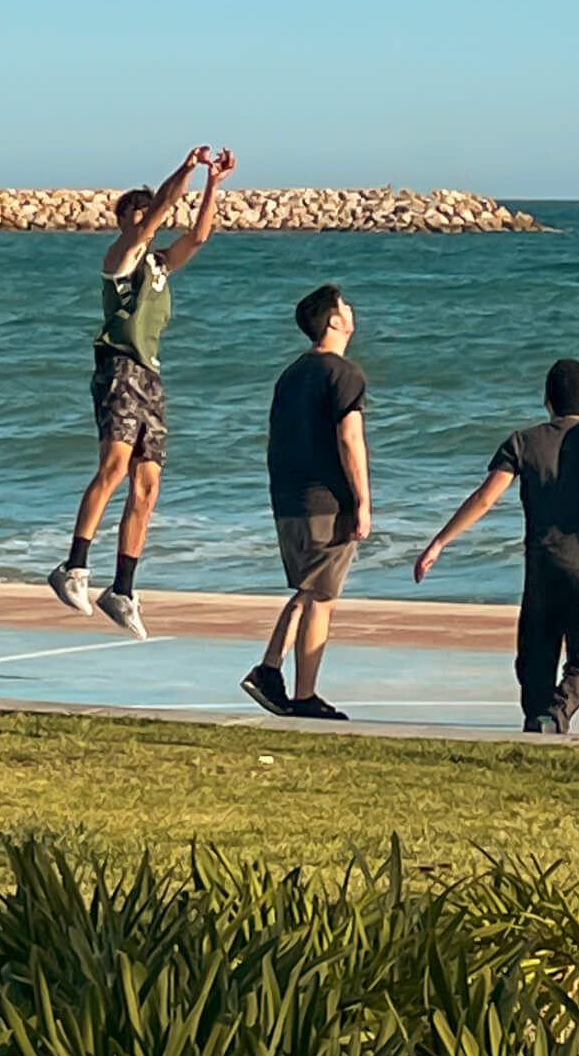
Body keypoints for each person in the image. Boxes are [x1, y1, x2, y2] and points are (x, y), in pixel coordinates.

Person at [413, 359, 579, 733]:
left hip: (544, 568)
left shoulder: (523, 441)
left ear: (547, 399)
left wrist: (439, 542)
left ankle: (539, 718)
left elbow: (484, 498)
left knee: (535, 657)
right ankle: (557, 714)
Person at [49, 144, 235, 638]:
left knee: (147, 487)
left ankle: (123, 590)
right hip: (118, 366)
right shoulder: (120, 258)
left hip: (150, 376)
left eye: (144, 211)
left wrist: (213, 184)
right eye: (136, 213)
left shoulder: (158, 264)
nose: (144, 219)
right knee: (113, 467)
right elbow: (159, 215)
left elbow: (197, 236)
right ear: (123, 221)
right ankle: (73, 565)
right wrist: (188, 167)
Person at [243, 284, 370, 721]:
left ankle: (269, 670)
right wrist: (363, 501)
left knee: (309, 587)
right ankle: (303, 693)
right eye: (344, 305)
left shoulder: (291, 373)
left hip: (289, 498)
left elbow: (275, 438)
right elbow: (350, 440)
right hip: (326, 501)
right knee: (321, 597)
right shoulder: (344, 373)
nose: (351, 310)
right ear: (334, 320)